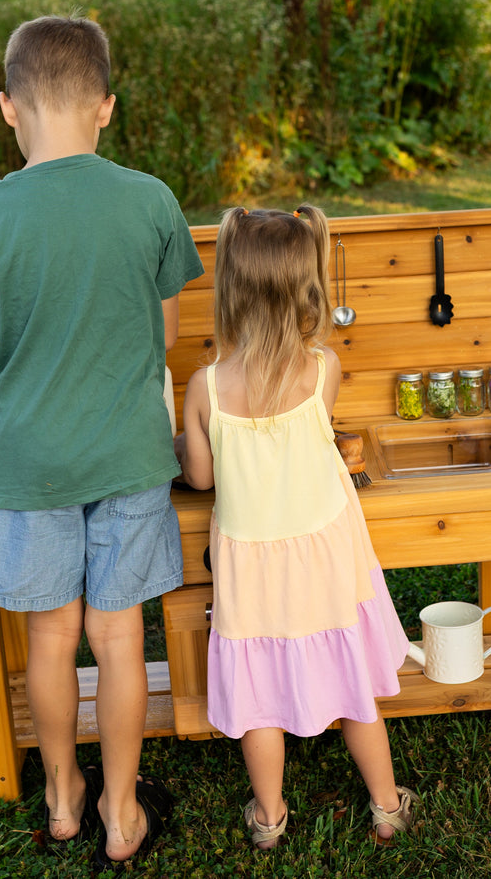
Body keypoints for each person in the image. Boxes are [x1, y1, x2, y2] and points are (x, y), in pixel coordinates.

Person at [0, 14, 202, 868]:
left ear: (9, 107)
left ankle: (60, 797)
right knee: (118, 637)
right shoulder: (151, 199)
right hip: (128, 454)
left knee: (51, 638)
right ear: (106, 107)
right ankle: (122, 812)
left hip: (33, 463)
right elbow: (161, 334)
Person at [174, 205, 419, 849]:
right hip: (325, 553)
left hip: (250, 565)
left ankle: (270, 818)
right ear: (308, 285)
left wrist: (183, 441)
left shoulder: (206, 388)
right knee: (357, 684)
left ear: (230, 287)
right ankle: (388, 806)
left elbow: (201, 479)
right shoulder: (322, 370)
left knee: (259, 698)